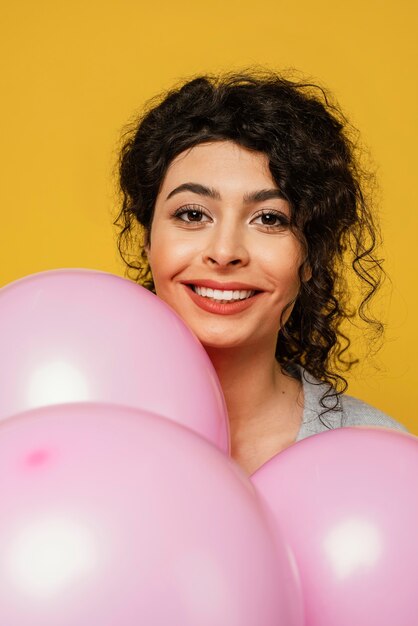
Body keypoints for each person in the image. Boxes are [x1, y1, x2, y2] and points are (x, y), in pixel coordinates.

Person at [114, 70, 408, 475]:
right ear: (148, 241)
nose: (224, 252)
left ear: (310, 257)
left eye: (269, 218)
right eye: (193, 214)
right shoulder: (70, 423)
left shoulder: (383, 462)